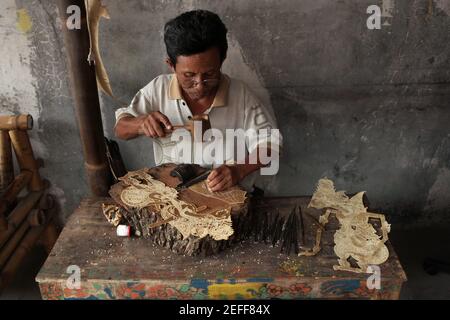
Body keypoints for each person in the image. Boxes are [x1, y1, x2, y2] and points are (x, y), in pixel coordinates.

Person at [115, 9, 282, 192]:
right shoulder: (157, 90)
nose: (200, 85)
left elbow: (271, 146)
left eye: (210, 74)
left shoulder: (240, 95)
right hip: (175, 198)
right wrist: (141, 124)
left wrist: (238, 170)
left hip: (227, 197)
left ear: (222, 60)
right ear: (171, 65)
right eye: (189, 75)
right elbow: (121, 130)